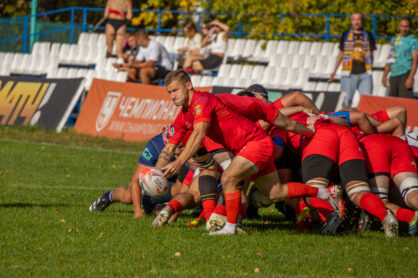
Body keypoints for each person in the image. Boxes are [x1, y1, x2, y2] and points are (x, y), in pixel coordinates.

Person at [152, 70, 338, 236]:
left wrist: (179, 162)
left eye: (175, 90)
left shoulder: (203, 100)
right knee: (276, 193)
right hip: (250, 147)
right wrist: (157, 172)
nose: (172, 96)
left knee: (228, 178)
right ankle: (323, 193)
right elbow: (169, 147)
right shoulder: (183, 116)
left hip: (256, 144)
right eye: (169, 92)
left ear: (188, 85)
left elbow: (200, 133)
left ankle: (231, 227)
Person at [88, 125, 192, 218]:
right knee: (129, 197)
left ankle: (152, 204)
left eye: (183, 145)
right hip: (155, 177)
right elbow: (136, 180)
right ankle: (109, 197)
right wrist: (137, 211)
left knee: (182, 190)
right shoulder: (155, 145)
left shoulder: (191, 145)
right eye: (177, 146)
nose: (180, 150)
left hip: (173, 179)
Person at [330, 12, 376, 107]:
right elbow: (341, 53)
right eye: (354, 19)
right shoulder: (346, 34)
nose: (356, 22)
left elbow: (371, 54)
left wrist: (370, 67)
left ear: (362, 21)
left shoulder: (368, 35)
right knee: (346, 102)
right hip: (349, 74)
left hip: (365, 73)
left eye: (358, 19)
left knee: (367, 101)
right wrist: (334, 70)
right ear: (351, 21)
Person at [382, 17, 418, 98]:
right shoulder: (395, 39)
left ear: (409, 27)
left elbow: (415, 61)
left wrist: (410, 78)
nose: (404, 29)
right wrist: (385, 75)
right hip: (394, 73)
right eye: (402, 26)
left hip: (405, 73)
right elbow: (390, 57)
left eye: (406, 26)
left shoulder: (413, 40)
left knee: (405, 102)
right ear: (399, 26)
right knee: (392, 102)